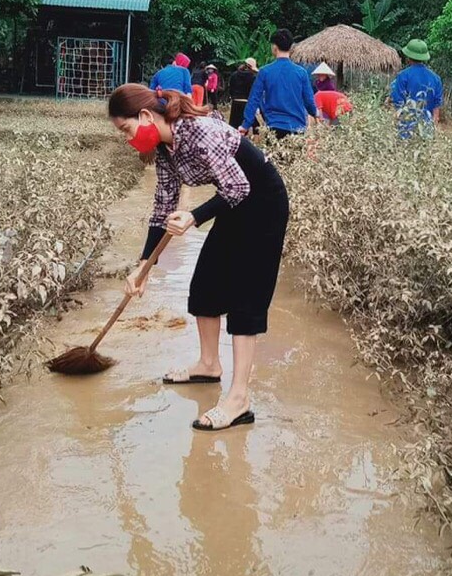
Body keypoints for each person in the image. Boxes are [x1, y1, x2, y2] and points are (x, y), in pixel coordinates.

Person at [110, 83, 289, 433]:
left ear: (145, 116)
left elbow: (239, 187)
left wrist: (195, 216)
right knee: (205, 285)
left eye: (126, 130)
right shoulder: (165, 149)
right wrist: (143, 267)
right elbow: (163, 206)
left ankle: (239, 399)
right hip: (234, 204)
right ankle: (208, 365)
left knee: (245, 298)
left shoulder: (198, 131)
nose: (127, 138)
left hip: (263, 202)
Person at [240, 29, 318, 139]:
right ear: (291, 48)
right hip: (297, 129)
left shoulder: (265, 71)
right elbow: (309, 101)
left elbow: (254, 99)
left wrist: (246, 124)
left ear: (274, 47)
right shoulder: (301, 73)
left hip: (274, 127)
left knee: (274, 156)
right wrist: (315, 114)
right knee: (295, 156)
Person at [390, 39, 443, 139]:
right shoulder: (436, 78)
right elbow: (437, 105)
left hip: (406, 127)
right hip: (427, 127)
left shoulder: (403, 76)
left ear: (408, 57)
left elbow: (398, 102)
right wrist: (434, 125)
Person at [228, 59, 258, 130]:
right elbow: (254, 92)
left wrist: (233, 97)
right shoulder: (252, 77)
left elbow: (231, 89)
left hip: (235, 102)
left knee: (234, 126)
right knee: (255, 125)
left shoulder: (234, 75)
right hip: (246, 103)